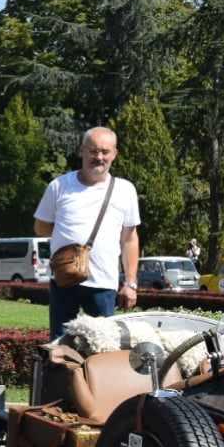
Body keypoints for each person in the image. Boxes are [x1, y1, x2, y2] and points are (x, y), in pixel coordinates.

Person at [34, 126, 141, 341]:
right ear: (82, 151)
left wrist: (130, 283)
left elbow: (129, 239)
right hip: (65, 279)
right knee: (60, 346)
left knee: (103, 345)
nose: (99, 157)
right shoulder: (59, 186)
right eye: (93, 151)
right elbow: (41, 227)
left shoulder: (125, 190)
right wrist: (69, 241)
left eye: (105, 151)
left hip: (103, 283)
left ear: (114, 154)